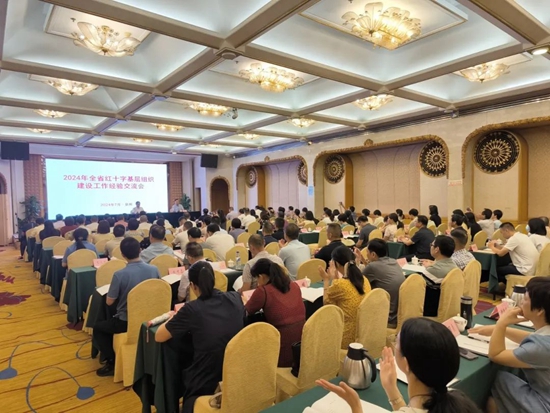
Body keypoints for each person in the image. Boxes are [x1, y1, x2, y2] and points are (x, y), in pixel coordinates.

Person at [317, 318, 481, 413]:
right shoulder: (457, 400)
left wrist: (355, 406)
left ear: (406, 363)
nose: (394, 344)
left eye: (397, 342)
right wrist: (391, 390)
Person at [155, 261, 245, 413]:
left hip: (206, 379)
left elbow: (159, 336)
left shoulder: (192, 309)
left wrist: (173, 316)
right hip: (235, 371)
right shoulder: (235, 298)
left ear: (192, 285)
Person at [469, 277, 550, 413]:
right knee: (496, 399)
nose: (521, 302)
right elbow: (530, 337)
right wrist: (498, 330)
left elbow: (496, 354)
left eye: (525, 299)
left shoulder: (541, 348)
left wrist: (501, 323)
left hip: (545, 404)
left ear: (540, 310)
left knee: (500, 379)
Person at [93, 237, 160, 376]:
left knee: (98, 328)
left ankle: (111, 361)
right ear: (140, 250)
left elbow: (109, 302)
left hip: (127, 322)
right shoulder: (154, 269)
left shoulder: (119, 275)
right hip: (152, 317)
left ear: (122, 255)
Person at [245, 258, 305, 367]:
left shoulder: (263, 291)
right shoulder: (293, 285)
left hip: (282, 349)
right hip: (302, 346)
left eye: (257, 278)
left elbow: (247, 310)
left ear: (261, 276)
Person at [319, 246, 371, 349]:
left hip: (346, 336)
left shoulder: (341, 285)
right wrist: (335, 277)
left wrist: (326, 280)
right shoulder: (364, 279)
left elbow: (326, 304)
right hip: (363, 331)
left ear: (337, 264)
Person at [358, 239, 405, 327]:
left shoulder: (372, 266)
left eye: (367, 252)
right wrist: (364, 261)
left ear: (373, 254)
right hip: (398, 314)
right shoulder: (393, 261)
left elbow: (357, 281)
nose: (366, 254)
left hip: (386, 317)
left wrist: (356, 263)